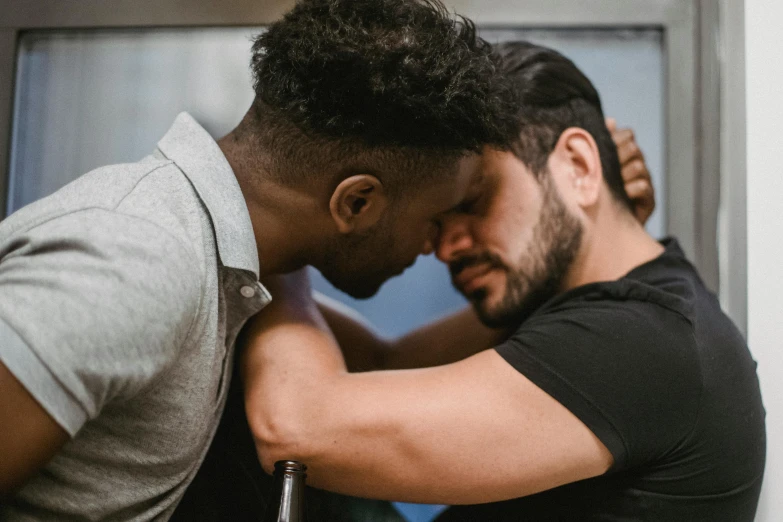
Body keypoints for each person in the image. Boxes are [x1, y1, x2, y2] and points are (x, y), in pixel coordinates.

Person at [0, 1, 527, 519]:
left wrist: (557, 268)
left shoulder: (233, 256)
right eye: (436, 218)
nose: (435, 245)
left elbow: (380, 366)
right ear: (357, 203)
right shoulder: (142, 261)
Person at [240, 41, 766, 521]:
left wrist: (270, 237)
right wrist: (255, 277)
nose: (445, 248)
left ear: (579, 165)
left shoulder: (645, 342)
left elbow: (297, 426)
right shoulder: (592, 310)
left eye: (474, 202)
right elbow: (379, 364)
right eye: (437, 222)